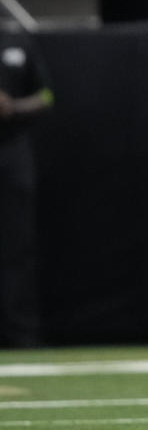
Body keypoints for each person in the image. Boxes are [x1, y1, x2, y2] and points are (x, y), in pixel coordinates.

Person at [0, 25, 54, 347]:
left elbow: (47, 95)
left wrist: (13, 107)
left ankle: (21, 335)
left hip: (12, 151)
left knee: (17, 246)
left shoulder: (16, 42)